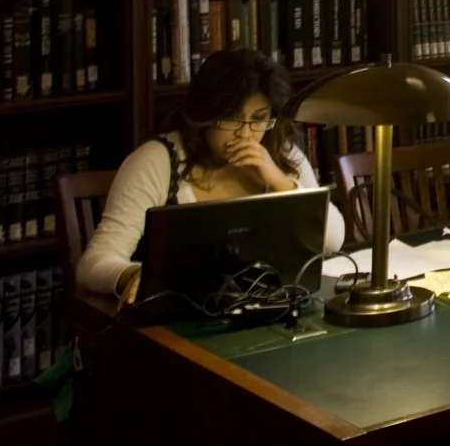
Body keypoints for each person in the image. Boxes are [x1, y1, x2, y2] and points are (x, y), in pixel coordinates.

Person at [77, 48, 345, 302]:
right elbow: (94, 262)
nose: (245, 133)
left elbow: (332, 240)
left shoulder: (279, 152)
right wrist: (134, 274)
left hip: (265, 311)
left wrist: (281, 182)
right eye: (231, 118)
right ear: (204, 115)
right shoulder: (158, 160)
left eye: (259, 118)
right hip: (180, 320)